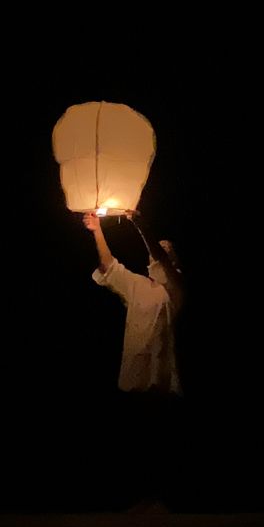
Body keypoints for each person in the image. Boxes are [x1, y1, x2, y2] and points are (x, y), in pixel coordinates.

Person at [82, 211, 184, 510]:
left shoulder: (175, 290)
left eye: (166, 253)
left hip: (160, 381)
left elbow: (159, 258)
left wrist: (141, 224)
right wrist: (96, 229)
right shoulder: (138, 286)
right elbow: (109, 267)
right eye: (159, 250)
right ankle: (138, 498)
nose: (160, 254)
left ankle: (161, 499)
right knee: (133, 443)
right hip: (135, 380)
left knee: (159, 442)